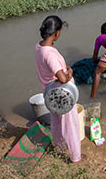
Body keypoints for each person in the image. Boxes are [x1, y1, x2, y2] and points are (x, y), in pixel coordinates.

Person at [34, 15, 82, 163]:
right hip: (62, 96)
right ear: (57, 33)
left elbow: (51, 70)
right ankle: (76, 157)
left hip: (49, 94)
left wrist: (62, 69)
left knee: (56, 122)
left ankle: (60, 148)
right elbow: (62, 78)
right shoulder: (50, 55)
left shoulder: (40, 46)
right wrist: (69, 73)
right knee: (70, 125)